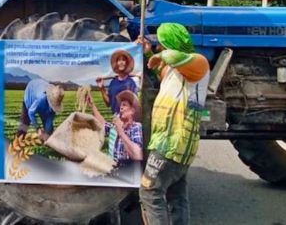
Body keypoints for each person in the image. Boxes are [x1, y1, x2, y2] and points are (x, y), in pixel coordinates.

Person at [139, 23, 209, 225]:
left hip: (172, 142)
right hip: (173, 142)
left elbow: (171, 57)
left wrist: (160, 55)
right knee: (175, 195)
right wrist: (147, 53)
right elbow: (161, 71)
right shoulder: (176, 69)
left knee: (149, 190)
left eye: (161, 43)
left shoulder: (199, 63)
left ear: (171, 43)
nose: (159, 47)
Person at [87, 89, 143, 164]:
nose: (121, 107)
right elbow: (102, 123)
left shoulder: (135, 127)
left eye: (124, 105)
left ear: (132, 111)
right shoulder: (115, 126)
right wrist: (92, 105)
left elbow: (138, 155)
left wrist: (121, 133)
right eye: (121, 105)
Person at [97, 49, 138, 115]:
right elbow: (108, 103)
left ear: (126, 63)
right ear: (117, 63)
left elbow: (135, 105)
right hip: (115, 119)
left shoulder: (131, 83)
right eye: (119, 60)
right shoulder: (113, 83)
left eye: (123, 60)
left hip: (127, 120)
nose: (121, 62)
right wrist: (102, 88)